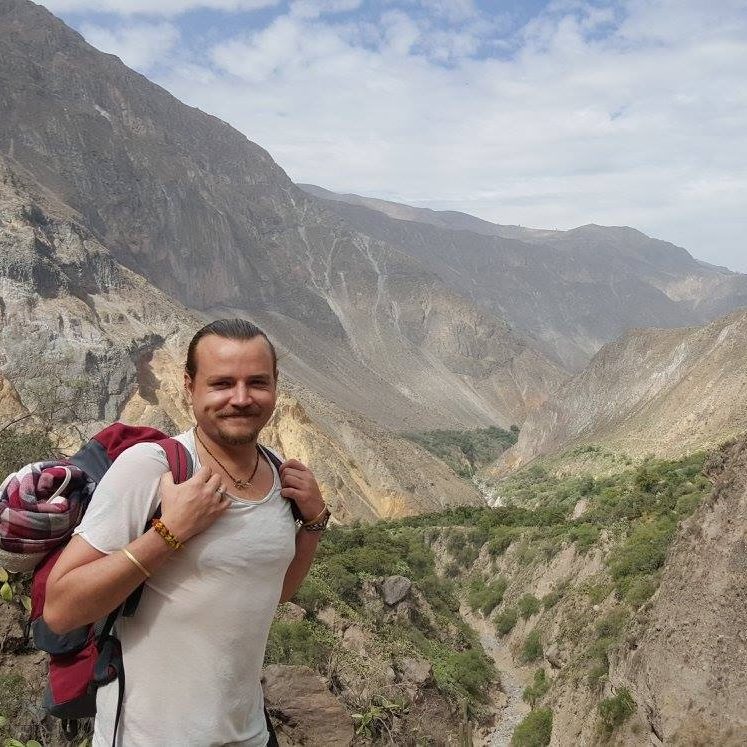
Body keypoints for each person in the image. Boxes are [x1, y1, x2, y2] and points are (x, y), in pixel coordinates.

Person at [43, 319, 330, 747]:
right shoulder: (154, 468)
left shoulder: (278, 475)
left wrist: (313, 522)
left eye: (257, 382)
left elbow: (273, 590)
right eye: (221, 383)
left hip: (247, 731)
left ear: (276, 386)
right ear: (189, 386)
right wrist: (169, 533)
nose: (240, 398)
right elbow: (62, 609)